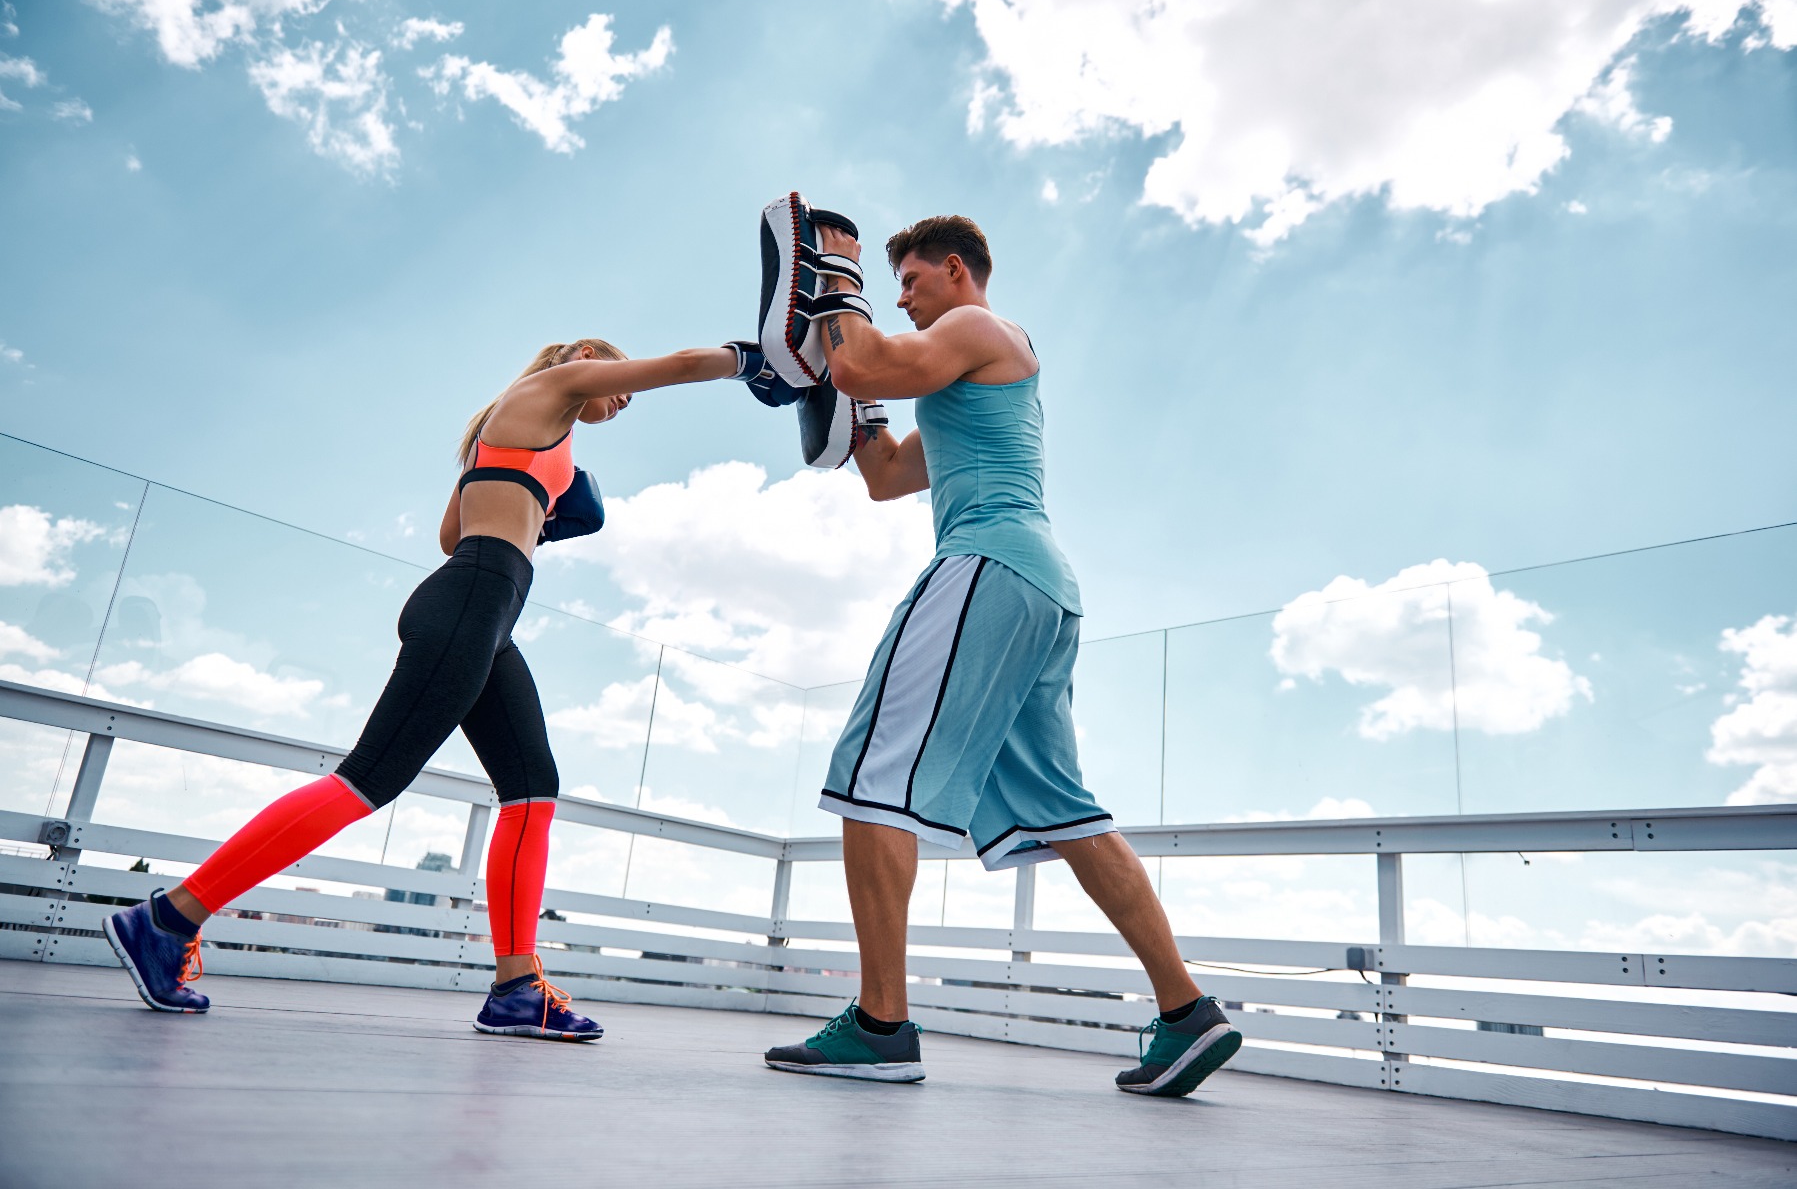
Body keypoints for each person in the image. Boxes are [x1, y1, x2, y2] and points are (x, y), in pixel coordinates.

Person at [103, 337, 761, 1040]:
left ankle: (516, 987)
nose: (625, 398)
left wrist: (540, 510)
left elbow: (451, 533)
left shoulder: (511, 431)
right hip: (473, 601)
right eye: (618, 379)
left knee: (533, 790)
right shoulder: (559, 387)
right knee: (368, 780)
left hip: (485, 608)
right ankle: (169, 918)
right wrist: (753, 360)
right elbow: (687, 365)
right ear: (588, 356)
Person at [761, 216, 1241, 1095]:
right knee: (1062, 809)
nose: (901, 297)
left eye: (910, 281)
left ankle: (879, 1025)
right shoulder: (958, 367)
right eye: (893, 286)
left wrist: (834, 285)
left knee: (871, 775)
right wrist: (838, 396)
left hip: (987, 563)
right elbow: (884, 474)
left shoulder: (978, 327)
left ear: (955, 271)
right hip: (1041, 589)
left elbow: (866, 358)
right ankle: (1186, 1015)